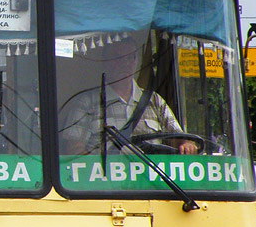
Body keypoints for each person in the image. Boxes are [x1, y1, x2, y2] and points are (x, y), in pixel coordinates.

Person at [59, 35, 198, 155]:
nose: (125, 63)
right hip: (107, 183)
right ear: (105, 62)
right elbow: (73, 149)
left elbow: (179, 138)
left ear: (136, 62)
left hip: (152, 182)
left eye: (130, 57)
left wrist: (187, 144)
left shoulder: (154, 100)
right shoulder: (87, 103)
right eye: (118, 57)